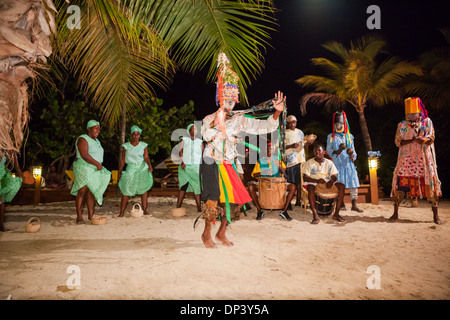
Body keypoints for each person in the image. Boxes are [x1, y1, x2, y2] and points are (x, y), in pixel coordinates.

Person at [200, 52, 285, 248]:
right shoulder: (208, 118)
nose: (230, 103)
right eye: (226, 100)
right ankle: (206, 234)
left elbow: (265, 127)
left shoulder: (240, 118)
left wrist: (277, 112)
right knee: (212, 200)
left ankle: (221, 232)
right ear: (220, 99)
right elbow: (205, 136)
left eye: (232, 100)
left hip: (229, 162)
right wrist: (217, 122)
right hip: (211, 161)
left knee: (237, 200)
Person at [390, 97, 442, 224]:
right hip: (406, 160)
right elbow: (398, 142)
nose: (412, 116)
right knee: (399, 183)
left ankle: (436, 216)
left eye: (414, 114)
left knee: (431, 182)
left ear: (419, 112)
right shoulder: (402, 125)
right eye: (409, 114)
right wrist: (411, 140)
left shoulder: (427, 122)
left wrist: (422, 140)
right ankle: (395, 213)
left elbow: (431, 138)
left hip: (424, 159)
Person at [71, 120, 111, 224]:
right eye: (95, 128)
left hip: (94, 168)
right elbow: (84, 155)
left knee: (92, 192)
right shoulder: (83, 138)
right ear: (89, 129)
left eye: (99, 128)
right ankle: (79, 217)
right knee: (82, 191)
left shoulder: (97, 141)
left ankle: (91, 216)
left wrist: (98, 165)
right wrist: (97, 164)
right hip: (84, 167)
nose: (98, 130)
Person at [326, 111, 363, 212]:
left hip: (349, 164)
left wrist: (352, 155)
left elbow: (353, 150)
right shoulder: (331, 137)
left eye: (340, 124)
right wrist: (338, 151)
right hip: (337, 164)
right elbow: (329, 150)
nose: (339, 126)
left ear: (344, 124)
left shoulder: (349, 136)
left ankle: (354, 205)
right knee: (339, 184)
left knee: (353, 184)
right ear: (334, 125)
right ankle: (341, 204)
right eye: (337, 124)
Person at [303, 144, 345, 224]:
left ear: (324, 152)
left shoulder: (329, 163)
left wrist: (331, 181)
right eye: (315, 151)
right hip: (313, 181)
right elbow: (305, 177)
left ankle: (336, 214)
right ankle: (315, 215)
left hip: (327, 180)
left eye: (319, 150)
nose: (317, 152)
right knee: (310, 188)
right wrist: (317, 181)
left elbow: (334, 175)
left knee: (341, 186)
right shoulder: (309, 162)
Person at [118, 125, 154, 217]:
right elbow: (122, 160)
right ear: (131, 135)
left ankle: (145, 210)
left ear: (139, 135)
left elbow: (146, 157)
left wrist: (149, 165)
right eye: (134, 134)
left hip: (142, 167)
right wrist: (120, 171)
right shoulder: (126, 146)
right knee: (126, 188)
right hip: (131, 168)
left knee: (144, 189)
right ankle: (121, 212)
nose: (136, 136)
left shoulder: (143, 145)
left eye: (137, 134)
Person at [248, 143, 288, 220]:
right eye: (269, 149)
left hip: (276, 184)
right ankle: (259, 211)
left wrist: (278, 166)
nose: (270, 150)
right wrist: (264, 172)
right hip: (263, 184)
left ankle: (284, 211)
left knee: (293, 187)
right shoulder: (260, 160)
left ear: (274, 151)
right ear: (266, 150)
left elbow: (284, 172)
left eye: (272, 149)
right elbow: (254, 175)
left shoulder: (277, 159)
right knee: (250, 187)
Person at [284, 115, 315, 208]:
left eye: (294, 122)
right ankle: (288, 202)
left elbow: (303, 144)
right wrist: (291, 146)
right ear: (287, 123)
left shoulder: (300, 132)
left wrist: (309, 142)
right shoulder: (284, 133)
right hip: (290, 161)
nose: (292, 124)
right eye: (290, 122)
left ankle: (298, 201)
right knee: (290, 182)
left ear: (296, 123)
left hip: (301, 160)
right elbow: (281, 147)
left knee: (299, 182)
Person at [176, 123, 203, 212]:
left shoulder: (200, 142)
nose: (195, 130)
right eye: (193, 129)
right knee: (183, 187)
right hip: (185, 167)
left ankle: (199, 207)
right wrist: (182, 162)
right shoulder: (184, 140)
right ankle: (178, 206)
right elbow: (180, 151)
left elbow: (202, 155)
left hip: (196, 168)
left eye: (196, 129)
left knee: (197, 187)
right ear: (189, 131)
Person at [0, 152, 24, 231]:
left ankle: (1, 225)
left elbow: (12, 155)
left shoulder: (4, 145)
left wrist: (18, 169)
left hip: (2, 174)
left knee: (1, 201)